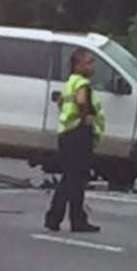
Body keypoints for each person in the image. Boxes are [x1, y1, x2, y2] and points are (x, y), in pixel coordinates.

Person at [44, 48, 104, 232]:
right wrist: (84, 119)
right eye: (89, 62)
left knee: (70, 178)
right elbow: (81, 101)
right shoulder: (82, 83)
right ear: (78, 65)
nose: (92, 65)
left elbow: (61, 102)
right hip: (79, 133)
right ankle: (74, 219)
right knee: (76, 178)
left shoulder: (70, 82)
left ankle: (58, 217)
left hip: (67, 133)